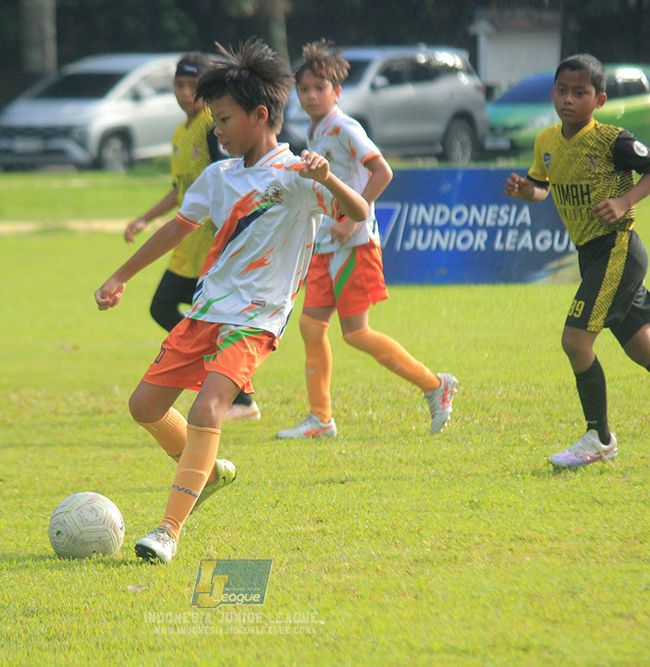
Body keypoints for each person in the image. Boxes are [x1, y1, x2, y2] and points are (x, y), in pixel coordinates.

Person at [95, 39, 370, 563]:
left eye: (222, 120)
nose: (215, 130)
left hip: (256, 320)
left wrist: (327, 176)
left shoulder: (296, 174)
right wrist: (121, 275)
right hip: (206, 312)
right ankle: (209, 470)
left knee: (208, 407)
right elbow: (175, 232)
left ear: (259, 115)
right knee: (143, 406)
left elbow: (355, 211)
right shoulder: (217, 177)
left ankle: (168, 532)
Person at [503, 53, 650, 468]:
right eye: (562, 91)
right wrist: (524, 192)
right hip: (591, 255)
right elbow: (541, 187)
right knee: (645, 351)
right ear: (552, 93)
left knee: (575, 341)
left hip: (617, 249)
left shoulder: (611, 140)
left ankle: (599, 437)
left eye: (580, 93)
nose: (568, 99)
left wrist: (624, 201)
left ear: (599, 100)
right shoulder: (547, 141)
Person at [276, 40, 458, 441]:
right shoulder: (315, 128)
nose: (310, 95)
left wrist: (350, 222)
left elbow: (382, 172)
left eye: (318, 88)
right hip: (326, 245)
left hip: (353, 242)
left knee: (355, 333)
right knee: (310, 327)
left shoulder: (344, 126)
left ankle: (434, 384)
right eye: (304, 89)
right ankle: (320, 419)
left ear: (336, 92)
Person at [124, 52, 261, 421]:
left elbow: (230, 182)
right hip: (185, 244)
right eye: (179, 85)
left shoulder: (212, 126)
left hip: (208, 248)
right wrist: (143, 219)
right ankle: (229, 389)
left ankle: (237, 396)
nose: (185, 93)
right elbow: (180, 190)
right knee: (170, 311)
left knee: (192, 318)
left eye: (192, 86)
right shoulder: (181, 133)